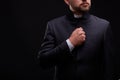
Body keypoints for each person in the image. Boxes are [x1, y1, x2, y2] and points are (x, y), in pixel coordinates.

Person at [37, 0, 114, 80]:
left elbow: (110, 69)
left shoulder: (103, 26)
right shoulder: (54, 25)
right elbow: (43, 62)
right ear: (67, 1)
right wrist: (70, 43)